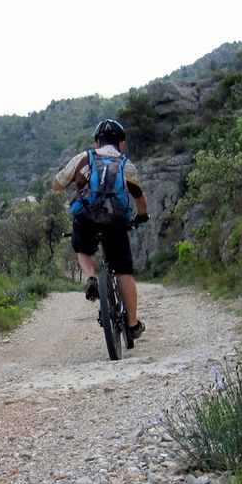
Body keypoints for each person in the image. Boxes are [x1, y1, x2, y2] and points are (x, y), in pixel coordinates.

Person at [52, 118, 149, 339]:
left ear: (97, 142)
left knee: (83, 250)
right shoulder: (126, 165)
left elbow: (56, 185)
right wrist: (141, 216)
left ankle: (90, 278)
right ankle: (132, 325)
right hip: (116, 221)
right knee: (123, 270)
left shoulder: (84, 158)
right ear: (121, 143)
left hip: (86, 217)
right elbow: (139, 198)